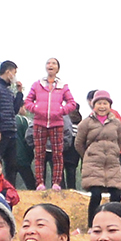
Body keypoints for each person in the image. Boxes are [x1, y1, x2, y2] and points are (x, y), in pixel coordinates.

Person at [73, 91, 121, 218]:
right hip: (93, 164)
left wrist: (112, 152)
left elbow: (119, 141)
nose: (102, 106)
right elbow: (78, 144)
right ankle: (92, 224)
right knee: (96, 194)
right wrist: (89, 155)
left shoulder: (116, 123)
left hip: (112, 164)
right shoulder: (86, 123)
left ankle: (115, 221)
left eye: (105, 103)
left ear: (110, 106)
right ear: (94, 105)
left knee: (116, 195)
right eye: (99, 103)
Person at [23, 59, 76, 190]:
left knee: (57, 154)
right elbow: (28, 101)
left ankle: (56, 183)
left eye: (53, 64)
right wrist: (36, 109)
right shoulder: (37, 84)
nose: (50, 65)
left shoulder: (63, 86)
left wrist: (61, 111)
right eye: (48, 63)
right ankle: (40, 183)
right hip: (39, 123)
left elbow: (72, 103)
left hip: (57, 123)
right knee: (39, 154)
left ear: (58, 68)